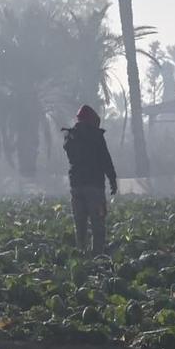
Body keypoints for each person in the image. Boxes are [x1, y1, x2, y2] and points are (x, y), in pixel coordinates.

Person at [62, 104, 118, 254]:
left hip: (76, 186)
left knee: (80, 224)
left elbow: (69, 154)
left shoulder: (70, 136)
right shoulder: (96, 136)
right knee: (97, 224)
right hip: (95, 187)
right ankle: (97, 255)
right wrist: (112, 179)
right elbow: (106, 159)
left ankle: (81, 253)